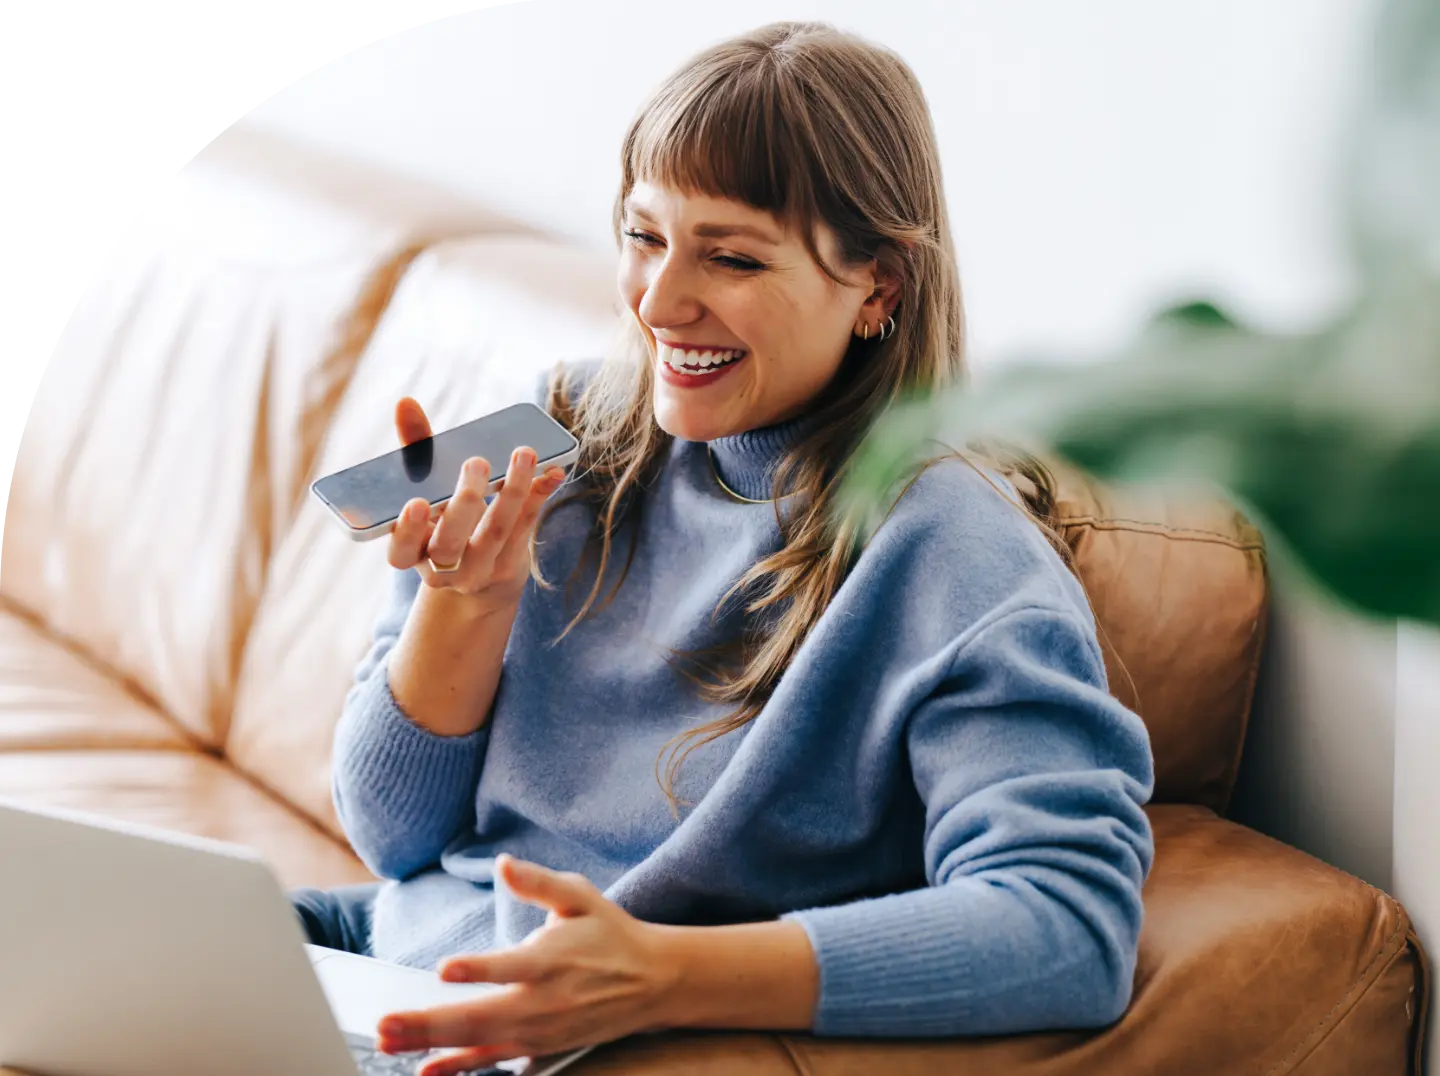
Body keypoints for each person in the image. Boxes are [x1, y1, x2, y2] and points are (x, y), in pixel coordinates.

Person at [289, 21, 1155, 1074]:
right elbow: (394, 839)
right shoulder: (561, 428)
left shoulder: (954, 556)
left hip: (518, 1035)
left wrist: (663, 973)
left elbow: (1067, 923)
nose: (658, 302)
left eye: (732, 256)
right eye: (643, 236)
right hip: (378, 951)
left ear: (878, 285)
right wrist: (464, 606)